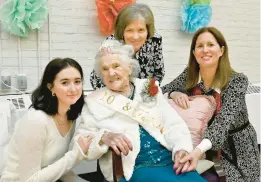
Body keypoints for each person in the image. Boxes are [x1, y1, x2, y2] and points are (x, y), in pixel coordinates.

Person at [75, 40, 206, 182]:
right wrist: (104, 137)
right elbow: (82, 140)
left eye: (116, 66)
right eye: (105, 69)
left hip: (170, 160)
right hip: (135, 167)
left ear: (129, 68)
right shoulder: (95, 101)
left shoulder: (147, 87)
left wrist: (181, 149)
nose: (111, 73)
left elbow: (173, 123)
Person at [161, 27, 260, 182]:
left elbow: (223, 122)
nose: (205, 50)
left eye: (210, 45)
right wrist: (175, 93)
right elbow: (161, 91)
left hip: (238, 145)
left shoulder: (238, 81)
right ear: (194, 53)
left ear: (221, 50)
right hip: (204, 146)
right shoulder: (190, 75)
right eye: (200, 46)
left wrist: (197, 151)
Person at [0, 58, 93, 182]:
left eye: (77, 81)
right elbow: (29, 180)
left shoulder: (70, 116)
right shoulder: (36, 120)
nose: (73, 88)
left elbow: (55, 167)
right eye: (65, 83)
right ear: (51, 87)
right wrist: (76, 155)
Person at [90, 3, 165, 90]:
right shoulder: (110, 45)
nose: (135, 36)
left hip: (144, 94)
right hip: (116, 95)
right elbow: (96, 81)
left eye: (141, 30)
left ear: (147, 31)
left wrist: (147, 93)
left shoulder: (154, 40)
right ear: (122, 31)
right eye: (130, 30)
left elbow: (159, 73)